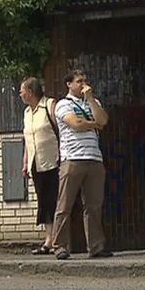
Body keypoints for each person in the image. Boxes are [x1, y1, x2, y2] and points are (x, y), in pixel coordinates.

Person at [50, 69, 113, 260]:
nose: (83, 84)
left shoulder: (93, 102)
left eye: (85, 80)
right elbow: (75, 124)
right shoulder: (63, 104)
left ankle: (95, 246)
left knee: (94, 205)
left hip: (94, 157)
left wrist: (91, 99)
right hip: (73, 158)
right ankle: (60, 245)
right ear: (69, 84)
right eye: (79, 81)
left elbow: (103, 120)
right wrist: (93, 124)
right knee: (65, 204)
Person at [20, 77, 60, 255]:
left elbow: (61, 131)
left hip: (52, 160)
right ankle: (48, 240)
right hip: (35, 163)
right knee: (43, 201)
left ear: (30, 92)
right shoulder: (27, 113)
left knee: (55, 200)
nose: (20, 94)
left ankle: (57, 240)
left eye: (22, 91)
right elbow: (29, 139)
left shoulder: (49, 105)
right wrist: (25, 161)